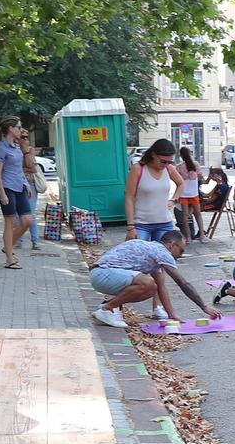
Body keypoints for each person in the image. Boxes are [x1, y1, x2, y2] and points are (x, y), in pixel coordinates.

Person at [86, 228, 220, 328]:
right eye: (181, 251)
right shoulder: (162, 252)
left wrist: (171, 315)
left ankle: (107, 307)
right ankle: (106, 309)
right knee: (147, 283)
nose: (180, 255)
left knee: (152, 288)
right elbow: (183, 283)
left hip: (102, 275)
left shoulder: (154, 252)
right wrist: (204, 306)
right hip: (102, 274)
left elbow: (161, 287)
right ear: (172, 245)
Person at [0, 116, 34, 269]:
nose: (20, 130)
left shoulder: (16, 146)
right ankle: (10, 258)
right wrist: (2, 193)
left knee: (28, 220)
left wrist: (26, 184)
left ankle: (8, 245)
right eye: (18, 127)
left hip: (20, 187)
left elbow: (19, 168)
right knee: (10, 222)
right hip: (7, 188)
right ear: (10, 129)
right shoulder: (1, 148)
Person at [124, 138, 182, 243]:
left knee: (164, 256)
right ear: (153, 155)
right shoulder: (138, 169)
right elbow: (129, 197)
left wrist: (174, 199)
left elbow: (181, 183)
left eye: (170, 162)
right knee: (140, 255)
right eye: (163, 161)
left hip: (164, 222)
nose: (166, 164)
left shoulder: (169, 168)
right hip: (141, 224)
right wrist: (130, 226)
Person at [174, 146, 204, 240]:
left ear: (181, 156)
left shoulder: (179, 167)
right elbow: (200, 178)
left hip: (183, 194)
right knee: (198, 214)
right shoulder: (196, 165)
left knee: (185, 216)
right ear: (190, 154)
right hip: (194, 193)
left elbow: (177, 181)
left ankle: (188, 237)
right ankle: (202, 235)